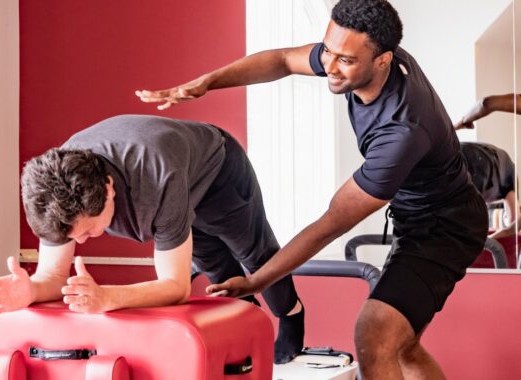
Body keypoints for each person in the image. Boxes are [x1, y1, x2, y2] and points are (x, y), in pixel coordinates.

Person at [135, 0, 488, 378]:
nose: (330, 66)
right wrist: (208, 82)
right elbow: (285, 60)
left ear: (383, 60)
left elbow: (332, 223)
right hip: (418, 217)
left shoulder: (400, 133)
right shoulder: (364, 51)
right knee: (404, 345)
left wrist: (258, 279)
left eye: (345, 60)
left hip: (446, 228)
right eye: (329, 51)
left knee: (375, 332)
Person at [0, 114, 304, 364]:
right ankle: (247, 334)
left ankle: (291, 314)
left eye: (88, 230)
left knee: (255, 256)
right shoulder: (58, 191)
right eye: (74, 235)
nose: (81, 242)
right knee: (218, 272)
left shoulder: (156, 178)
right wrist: (32, 290)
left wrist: (107, 297)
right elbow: (53, 275)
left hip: (218, 173)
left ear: (109, 189)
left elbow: (175, 287)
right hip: (172, 177)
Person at [460, 142, 518, 238]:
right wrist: (489, 242)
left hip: (463, 151)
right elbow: (514, 225)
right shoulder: (510, 182)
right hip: (483, 162)